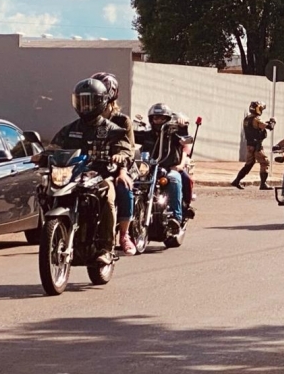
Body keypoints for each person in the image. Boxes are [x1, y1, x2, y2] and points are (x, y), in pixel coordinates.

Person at [34, 78, 132, 265]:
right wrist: (42, 155)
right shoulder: (70, 129)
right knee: (44, 188)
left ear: (101, 102)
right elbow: (54, 147)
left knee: (108, 197)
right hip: (72, 176)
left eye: (90, 101)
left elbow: (124, 148)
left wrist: (120, 155)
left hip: (101, 176)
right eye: (82, 101)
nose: (85, 106)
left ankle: (106, 248)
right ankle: (59, 234)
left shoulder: (112, 129)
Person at [91, 71, 138, 256]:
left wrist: (122, 170)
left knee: (123, 187)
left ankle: (124, 235)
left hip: (121, 167)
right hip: (95, 169)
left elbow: (129, 148)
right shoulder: (89, 119)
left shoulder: (122, 121)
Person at [136, 103, 191, 231]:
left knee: (174, 179)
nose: (159, 121)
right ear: (151, 120)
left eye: (162, 118)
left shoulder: (174, 135)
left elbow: (186, 141)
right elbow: (130, 136)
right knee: (134, 183)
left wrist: (183, 127)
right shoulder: (147, 135)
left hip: (169, 169)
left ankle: (176, 218)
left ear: (167, 120)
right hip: (149, 169)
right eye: (156, 118)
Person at [232, 101, 276, 190]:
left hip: (249, 145)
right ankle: (263, 184)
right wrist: (273, 122)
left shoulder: (247, 119)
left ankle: (236, 181)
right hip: (257, 146)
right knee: (264, 162)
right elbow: (268, 127)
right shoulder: (256, 119)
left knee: (249, 164)